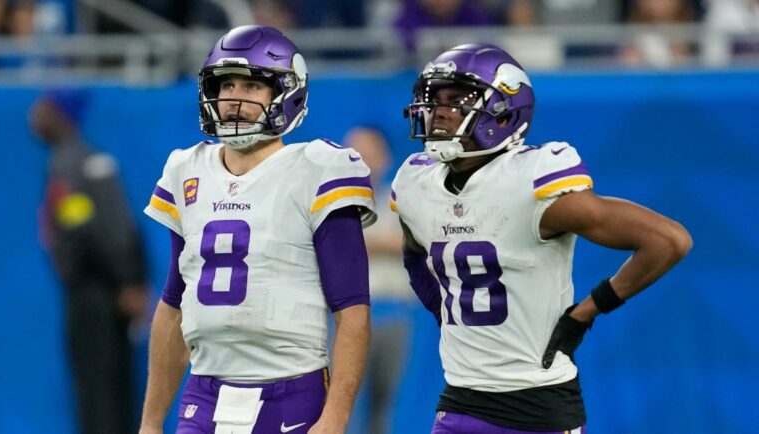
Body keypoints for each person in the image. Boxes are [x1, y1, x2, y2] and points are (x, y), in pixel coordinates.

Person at [392, 43, 693, 433]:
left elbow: (669, 240)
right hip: (460, 398)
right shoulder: (416, 181)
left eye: (458, 100)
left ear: (502, 109)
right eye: (435, 100)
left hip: (539, 405)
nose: (439, 112)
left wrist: (588, 311)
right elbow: (415, 255)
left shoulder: (532, 181)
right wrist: (441, 310)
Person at [139, 25, 375, 434]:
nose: (233, 100)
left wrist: (335, 418)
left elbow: (352, 312)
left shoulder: (317, 169)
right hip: (203, 393)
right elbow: (173, 306)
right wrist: (150, 421)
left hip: (290, 390)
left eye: (250, 87)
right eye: (225, 85)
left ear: (285, 94)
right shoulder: (186, 168)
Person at [32, 89, 150, 434]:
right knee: (112, 391)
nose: (34, 116)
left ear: (59, 114)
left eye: (43, 107)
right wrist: (130, 280)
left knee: (99, 395)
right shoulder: (85, 161)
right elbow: (118, 228)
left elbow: (91, 228)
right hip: (105, 293)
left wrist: (126, 283)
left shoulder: (72, 164)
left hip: (95, 296)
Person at [344, 127, 412, 434]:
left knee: (386, 401)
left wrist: (368, 242)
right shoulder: (334, 207)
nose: (363, 162)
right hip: (345, 316)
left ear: (385, 158)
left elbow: (414, 244)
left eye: (369, 153)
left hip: (393, 313)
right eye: (354, 154)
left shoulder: (400, 202)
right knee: (341, 397)